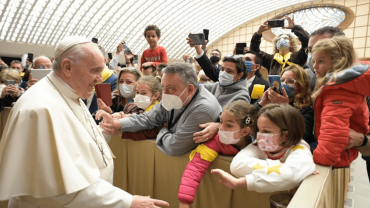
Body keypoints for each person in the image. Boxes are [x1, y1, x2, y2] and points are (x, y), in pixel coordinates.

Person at [0, 36, 169, 207]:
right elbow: (60, 190)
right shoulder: (41, 108)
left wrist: (109, 127)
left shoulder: (69, 92)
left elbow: (78, 138)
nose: (99, 79)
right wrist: (128, 201)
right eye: (95, 71)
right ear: (67, 67)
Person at [97, 63, 222, 156]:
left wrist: (162, 129)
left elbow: (174, 147)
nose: (165, 93)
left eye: (170, 88)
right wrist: (117, 123)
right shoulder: (178, 96)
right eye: (163, 87)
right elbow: (147, 119)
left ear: (189, 89)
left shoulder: (203, 110)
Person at [211, 104, 316, 192]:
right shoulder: (260, 144)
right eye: (259, 130)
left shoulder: (300, 149)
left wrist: (243, 182)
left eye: (266, 131)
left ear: (286, 136)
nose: (259, 136)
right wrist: (281, 165)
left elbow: (290, 176)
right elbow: (237, 165)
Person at [178, 100, 256, 207]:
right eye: (221, 122)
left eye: (229, 125)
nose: (221, 128)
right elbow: (195, 167)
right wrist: (184, 201)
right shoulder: (216, 140)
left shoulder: (261, 143)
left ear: (245, 132)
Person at [311, 35, 370, 168]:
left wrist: (319, 158)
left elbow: (334, 131)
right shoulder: (343, 86)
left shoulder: (339, 91)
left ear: (338, 62)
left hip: (336, 159)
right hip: (341, 154)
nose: (314, 66)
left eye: (320, 61)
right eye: (313, 61)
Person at [256, 64, 314, 144]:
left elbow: (302, 136)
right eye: (282, 80)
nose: (284, 84)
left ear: (302, 86)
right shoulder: (271, 101)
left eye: (291, 81)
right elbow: (249, 123)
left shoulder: (306, 110)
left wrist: (285, 108)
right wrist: (261, 104)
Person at [120, 75, 163, 141]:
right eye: (137, 92)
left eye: (143, 93)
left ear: (156, 95)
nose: (139, 96)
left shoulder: (158, 111)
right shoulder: (134, 107)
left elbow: (148, 131)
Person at [306, 26, 345, 90]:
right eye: (311, 50)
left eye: (321, 48)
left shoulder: (361, 82)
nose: (314, 55)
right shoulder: (306, 79)